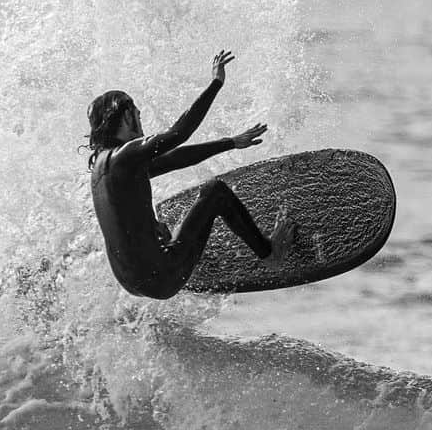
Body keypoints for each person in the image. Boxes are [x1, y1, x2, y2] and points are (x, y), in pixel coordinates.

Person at [86, 50, 295, 299]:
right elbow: (179, 133)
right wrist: (216, 83)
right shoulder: (125, 156)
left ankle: (179, 252)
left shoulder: (105, 167)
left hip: (132, 283)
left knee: (159, 227)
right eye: (136, 112)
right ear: (125, 116)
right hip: (161, 277)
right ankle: (269, 253)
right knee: (214, 192)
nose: (141, 117)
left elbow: (174, 159)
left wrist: (230, 142)